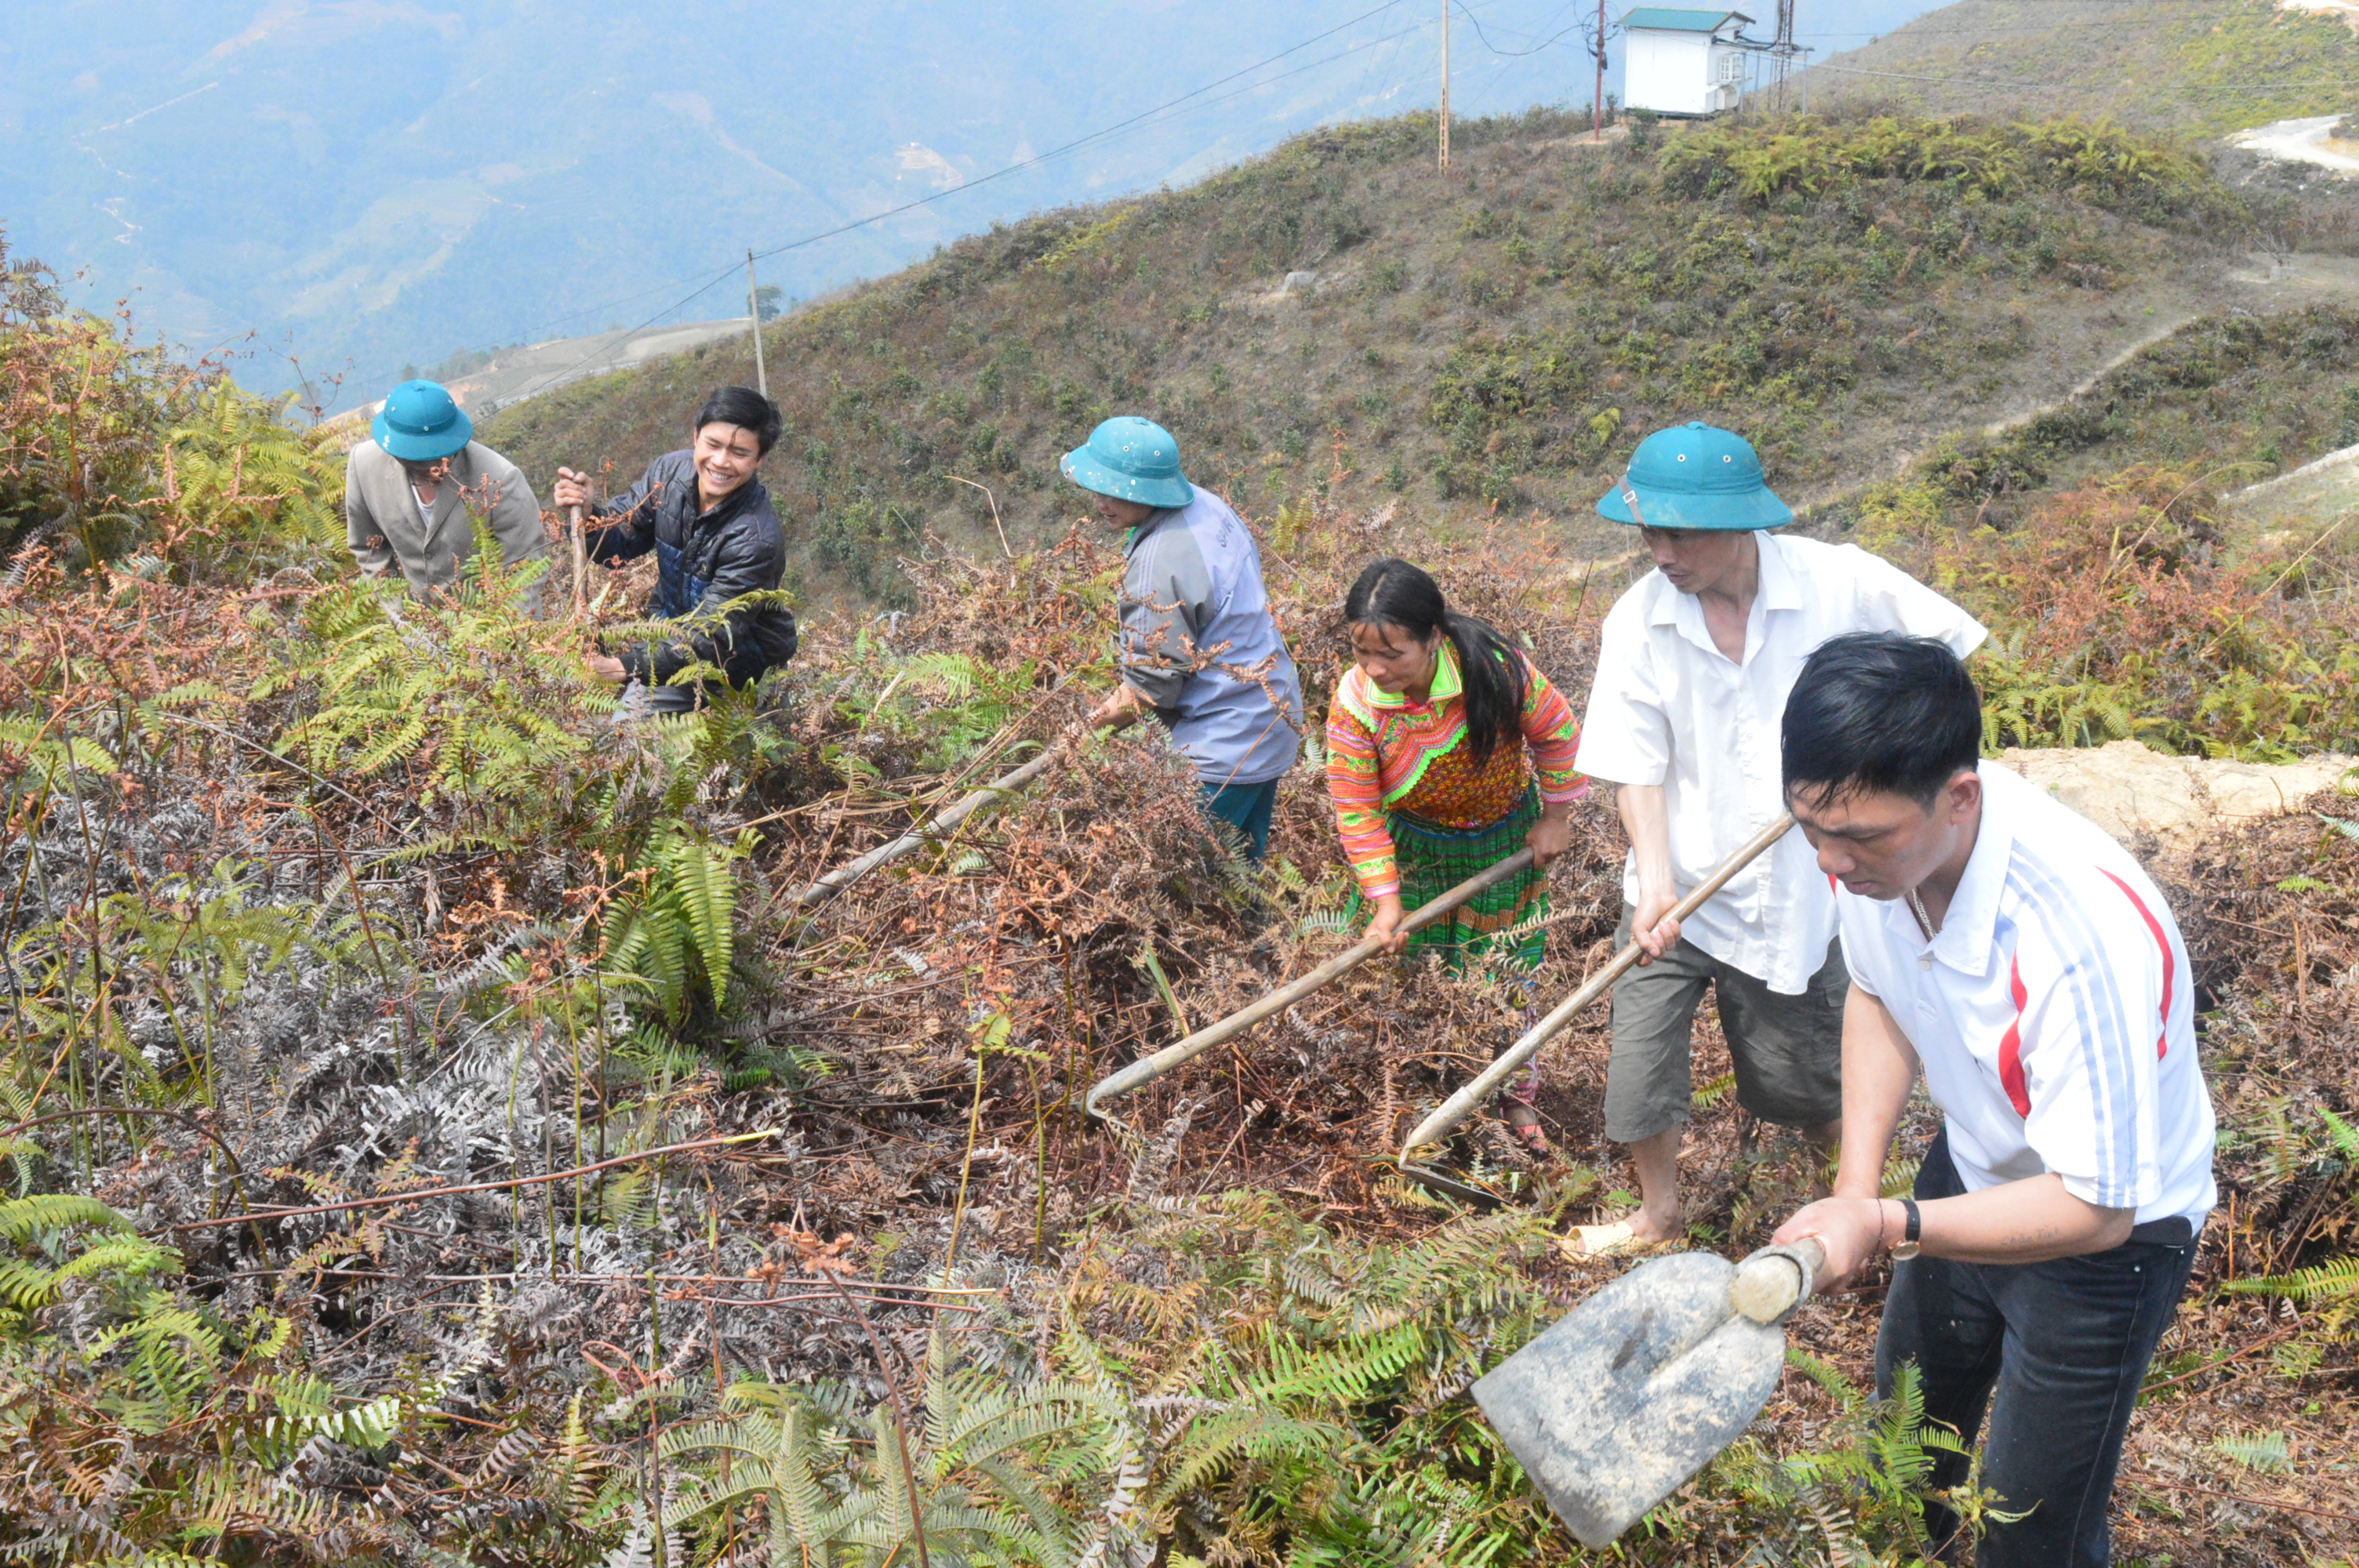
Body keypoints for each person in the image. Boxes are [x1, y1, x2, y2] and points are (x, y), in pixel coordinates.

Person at [1772, 633, 2215, 1568]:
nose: (1829, 863)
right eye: (1809, 826)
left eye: (1854, 837)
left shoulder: (2073, 933)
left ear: (1958, 797)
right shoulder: (1875, 846)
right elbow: (1877, 992)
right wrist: (1857, 1191)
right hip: (1971, 1169)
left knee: (2028, 1532)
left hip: (2106, 1240)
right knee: (1901, 1452)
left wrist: (1890, 1221)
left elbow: (2096, 1205)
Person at [1568, 422, 1986, 1256]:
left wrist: (1884, 753)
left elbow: (1945, 657)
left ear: (1737, 524)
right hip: (1676, 887)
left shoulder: (1838, 584)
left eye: (1676, 532)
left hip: (1802, 895)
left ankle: (1856, 1218)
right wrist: (1653, 884)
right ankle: (1657, 1217)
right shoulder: (1639, 622)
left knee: (1804, 1081)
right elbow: (1636, 767)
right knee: (1637, 1068)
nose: (1657, 551)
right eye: (1647, 531)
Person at [1327, 558, 1587, 1154]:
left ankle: (1514, 1096)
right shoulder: (1356, 703)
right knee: (1406, 970)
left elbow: (1557, 732)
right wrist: (1386, 903)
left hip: (1503, 841)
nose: (1375, 668)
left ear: (1434, 637)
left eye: (1393, 654)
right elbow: (1357, 807)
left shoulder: (1492, 669)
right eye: (1363, 652)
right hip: (1415, 851)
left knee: (1505, 972)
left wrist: (1555, 818)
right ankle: (1419, 1089)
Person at [1060, 416, 1303, 860]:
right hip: (1272, 717)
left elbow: (1149, 690)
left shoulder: (1159, 561)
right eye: (1096, 488)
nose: (1099, 502)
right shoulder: (1207, 508)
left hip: (1223, 747)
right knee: (1244, 877)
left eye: (1115, 490)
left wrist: (1078, 735)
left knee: (1192, 883)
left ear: (1148, 489)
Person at [551, 387, 798, 714]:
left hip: (738, 668)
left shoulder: (755, 538)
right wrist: (589, 514)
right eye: (713, 444)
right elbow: (622, 543)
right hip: (669, 644)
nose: (721, 462)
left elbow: (712, 636)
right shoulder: (668, 475)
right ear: (696, 437)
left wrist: (621, 667)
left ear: (760, 459)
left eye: (739, 453)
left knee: (631, 735)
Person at [347, 379, 547, 613]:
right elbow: (369, 551)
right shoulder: (364, 466)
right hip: (414, 631)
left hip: (489, 627)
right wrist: (397, 623)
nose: (431, 465)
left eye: (439, 454)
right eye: (415, 457)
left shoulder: (500, 479)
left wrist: (502, 640)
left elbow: (524, 573)